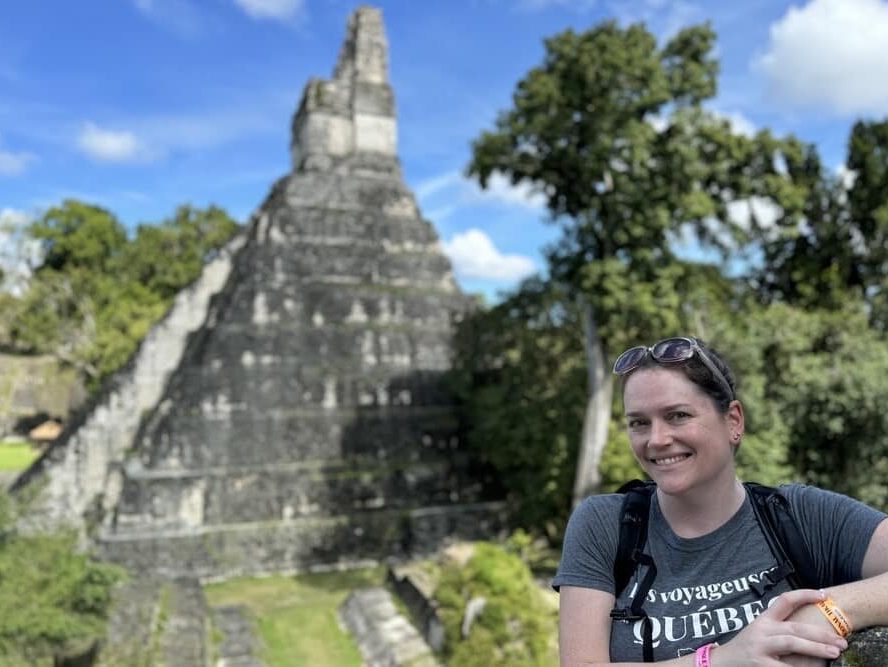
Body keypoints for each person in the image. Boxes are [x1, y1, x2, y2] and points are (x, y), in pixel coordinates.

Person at [553, 336, 888, 666]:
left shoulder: (801, 515)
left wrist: (829, 611)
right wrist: (721, 659)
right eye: (639, 423)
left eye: (678, 416)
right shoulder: (605, 523)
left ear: (733, 421)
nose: (656, 439)